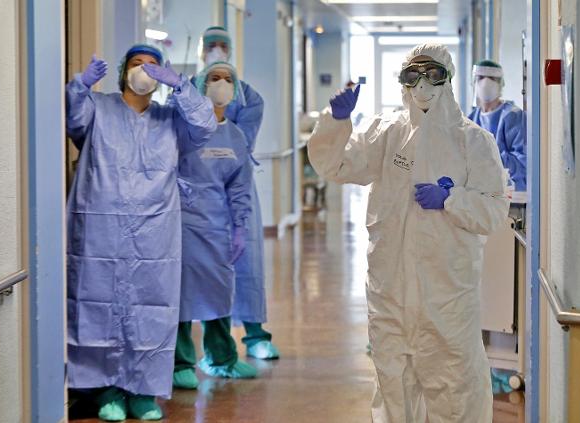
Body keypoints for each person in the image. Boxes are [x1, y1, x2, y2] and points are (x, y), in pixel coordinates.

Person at [307, 44, 510, 422]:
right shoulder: (386, 132)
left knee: (455, 386)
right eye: (413, 75)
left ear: (447, 79)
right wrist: (336, 122)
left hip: (447, 295)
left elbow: (494, 211)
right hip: (391, 291)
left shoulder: (473, 141)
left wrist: (453, 198)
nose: (423, 85)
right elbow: (337, 166)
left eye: (433, 75)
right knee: (393, 384)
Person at [66, 44, 216, 421]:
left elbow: (205, 126)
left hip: (154, 232)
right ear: (122, 73)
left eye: (154, 66)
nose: (145, 71)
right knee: (98, 305)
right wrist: (80, 87)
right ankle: (107, 392)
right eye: (137, 64)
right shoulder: (100, 109)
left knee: (151, 308)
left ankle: (144, 392)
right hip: (102, 228)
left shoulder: (171, 120)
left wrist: (181, 85)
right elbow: (72, 122)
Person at [197, 26, 280, 360]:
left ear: (231, 52)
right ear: (202, 51)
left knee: (246, 264)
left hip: (237, 188)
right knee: (203, 269)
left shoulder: (249, 97)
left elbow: (237, 146)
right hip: (197, 195)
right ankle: (212, 346)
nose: (217, 50)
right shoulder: (188, 92)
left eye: (222, 46)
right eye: (211, 46)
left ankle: (255, 335)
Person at [173, 61, 257, 389]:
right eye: (213, 78)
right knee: (180, 294)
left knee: (219, 291)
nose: (220, 84)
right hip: (180, 222)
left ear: (235, 90)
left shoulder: (235, 136)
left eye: (227, 79)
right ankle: (180, 362)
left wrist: (240, 227)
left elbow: (239, 187)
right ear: (199, 84)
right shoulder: (184, 128)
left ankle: (221, 358)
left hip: (217, 225)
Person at [468, 59, 527, 191]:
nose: (485, 83)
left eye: (492, 79)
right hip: (478, 195)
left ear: (501, 84)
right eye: (481, 78)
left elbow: (524, 165)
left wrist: (490, 155)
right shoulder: (470, 120)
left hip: (510, 195)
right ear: (474, 82)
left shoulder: (514, 116)